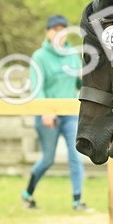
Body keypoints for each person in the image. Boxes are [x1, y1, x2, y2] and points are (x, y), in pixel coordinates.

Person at [21, 14, 92, 212]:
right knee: (48, 159)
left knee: (75, 156)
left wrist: (86, 76)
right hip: (47, 115)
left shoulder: (72, 55)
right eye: (55, 29)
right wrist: (46, 110)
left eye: (62, 29)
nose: (59, 33)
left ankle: (77, 201)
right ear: (48, 32)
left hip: (70, 114)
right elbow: (37, 88)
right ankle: (28, 194)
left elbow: (80, 84)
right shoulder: (39, 57)